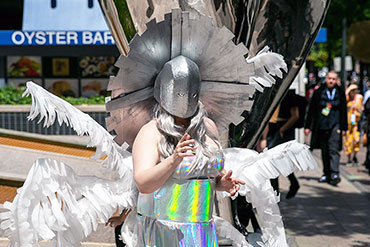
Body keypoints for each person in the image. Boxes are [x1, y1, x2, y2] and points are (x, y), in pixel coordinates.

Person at [305, 71, 348, 185]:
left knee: (333, 149)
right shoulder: (319, 92)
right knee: (324, 150)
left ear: (336, 80)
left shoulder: (340, 92)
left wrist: (344, 127)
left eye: (333, 79)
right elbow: (312, 110)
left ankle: (335, 173)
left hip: (335, 125)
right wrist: (308, 126)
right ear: (326, 79)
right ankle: (326, 173)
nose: (331, 81)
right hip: (322, 125)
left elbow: (344, 111)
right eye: (329, 78)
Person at [267, 90, 300, 198]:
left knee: (276, 160)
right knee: (274, 161)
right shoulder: (272, 92)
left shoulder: (289, 94)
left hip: (282, 129)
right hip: (273, 128)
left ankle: (276, 190)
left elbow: (295, 115)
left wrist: (282, 129)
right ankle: (277, 189)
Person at [344, 84, 363, 165]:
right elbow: (342, 99)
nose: (354, 92)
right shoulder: (347, 98)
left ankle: (354, 156)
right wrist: (348, 90)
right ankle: (349, 158)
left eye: (355, 90)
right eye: (352, 90)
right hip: (348, 123)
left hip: (356, 123)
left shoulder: (359, 97)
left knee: (357, 139)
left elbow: (362, 107)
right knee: (348, 140)